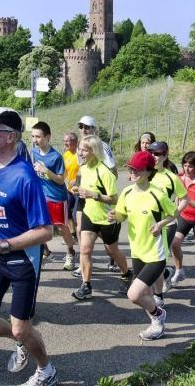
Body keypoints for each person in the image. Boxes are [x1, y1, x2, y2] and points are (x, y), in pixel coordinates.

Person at [0, 107, 58, 386]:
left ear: (10, 137)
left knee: (22, 328)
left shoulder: (25, 176)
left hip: (22, 261)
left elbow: (46, 231)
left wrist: (0, 245)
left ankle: (45, 369)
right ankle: (20, 339)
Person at [108, 151, 177, 340]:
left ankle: (158, 316)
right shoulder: (127, 193)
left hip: (155, 253)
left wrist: (161, 224)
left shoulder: (158, 194)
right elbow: (122, 215)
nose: (133, 171)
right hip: (137, 252)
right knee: (144, 293)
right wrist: (115, 215)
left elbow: (173, 213)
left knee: (134, 294)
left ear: (148, 171)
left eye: (138, 169)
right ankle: (156, 323)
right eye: (131, 168)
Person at [72, 135, 132, 300]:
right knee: (85, 250)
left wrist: (94, 194)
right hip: (89, 215)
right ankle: (86, 285)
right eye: (80, 149)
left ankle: (127, 274)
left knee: (111, 250)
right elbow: (85, 189)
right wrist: (77, 189)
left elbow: (114, 199)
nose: (80, 153)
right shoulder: (83, 168)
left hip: (108, 218)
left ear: (94, 151)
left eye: (84, 149)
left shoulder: (105, 172)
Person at [31, 121, 77, 271]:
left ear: (48, 137)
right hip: (40, 196)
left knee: (61, 227)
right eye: (33, 136)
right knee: (37, 225)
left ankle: (70, 252)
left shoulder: (55, 156)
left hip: (57, 197)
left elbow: (60, 179)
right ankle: (45, 251)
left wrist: (46, 171)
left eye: (38, 137)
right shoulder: (34, 152)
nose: (35, 140)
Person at [147, 141, 188, 297]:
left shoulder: (171, 177)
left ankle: (158, 296)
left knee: (159, 258)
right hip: (147, 223)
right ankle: (166, 274)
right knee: (149, 258)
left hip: (167, 224)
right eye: (151, 153)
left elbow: (184, 198)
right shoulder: (144, 173)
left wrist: (175, 213)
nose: (153, 156)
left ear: (165, 156)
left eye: (157, 154)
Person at [169, 152, 195, 288]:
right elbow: (177, 195)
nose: (186, 169)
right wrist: (176, 208)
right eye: (185, 165)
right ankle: (179, 270)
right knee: (175, 243)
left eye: (190, 166)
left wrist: (187, 201)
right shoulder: (179, 178)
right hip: (184, 216)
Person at [62, 132, 79, 245]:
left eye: (68, 140)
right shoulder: (65, 154)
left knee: (76, 214)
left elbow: (85, 169)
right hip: (69, 189)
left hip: (80, 188)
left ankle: (88, 233)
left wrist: (77, 181)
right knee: (66, 212)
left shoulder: (80, 153)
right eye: (64, 141)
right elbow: (64, 172)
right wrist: (68, 183)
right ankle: (73, 236)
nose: (65, 143)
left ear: (74, 141)